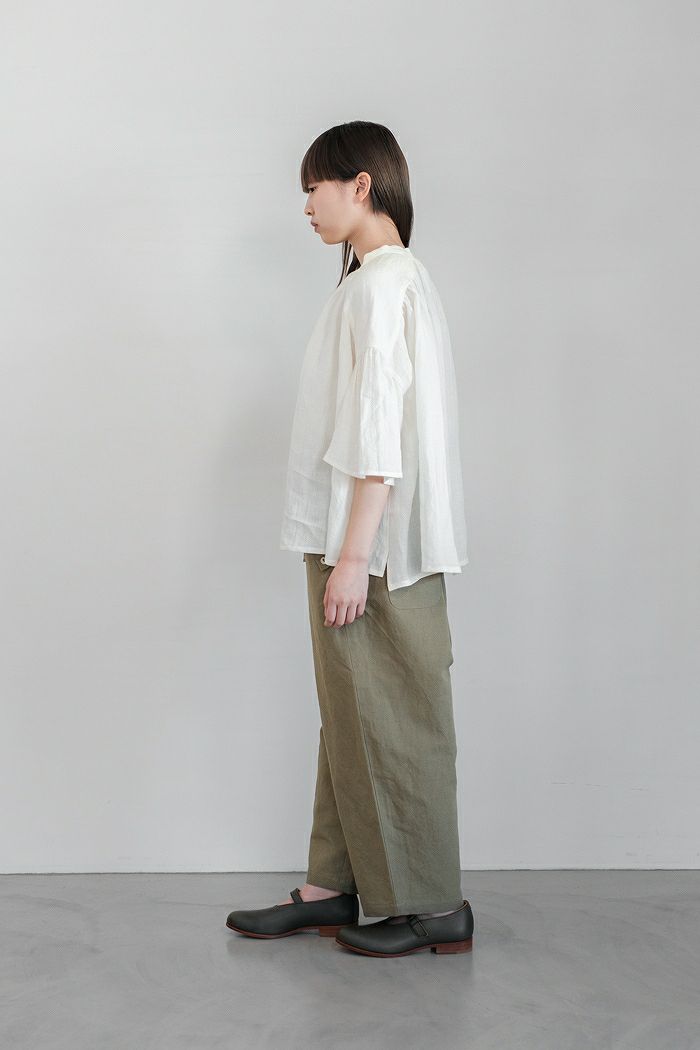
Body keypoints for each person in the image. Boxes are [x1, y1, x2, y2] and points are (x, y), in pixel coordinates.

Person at [226, 120, 474, 957]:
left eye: (316, 187)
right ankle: (331, 886)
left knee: (394, 720)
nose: (307, 206)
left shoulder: (380, 285)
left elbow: (379, 434)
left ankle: (432, 905)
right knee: (353, 714)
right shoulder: (392, 279)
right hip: (365, 540)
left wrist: (355, 558)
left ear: (361, 185)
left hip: (373, 548)